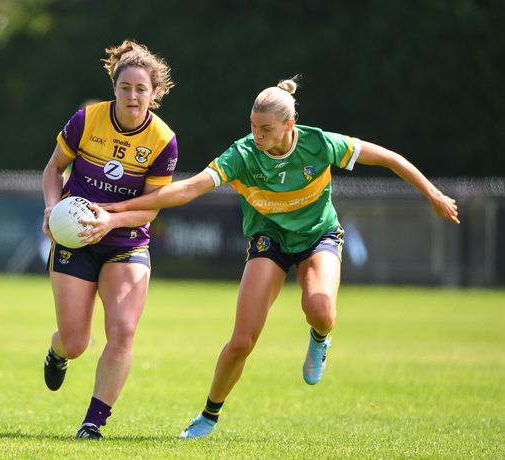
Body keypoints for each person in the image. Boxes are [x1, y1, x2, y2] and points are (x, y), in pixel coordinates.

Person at [100, 76, 460, 439]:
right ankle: (208, 416)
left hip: (318, 236)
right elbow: (189, 188)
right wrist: (120, 208)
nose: (257, 135)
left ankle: (320, 339)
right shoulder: (242, 154)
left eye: (266, 129)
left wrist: (433, 194)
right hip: (268, 240)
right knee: (242, 340)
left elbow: (389, 158)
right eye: (253, 126)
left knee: (321, 311)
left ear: (290, 125)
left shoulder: (320, 144)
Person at [41, 40, 177, 440]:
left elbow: (151, 208)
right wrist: (51, 207)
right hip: (76, 238)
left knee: (123, 330)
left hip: (127, 243)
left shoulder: (163, 139)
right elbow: (53, 169)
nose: (132, 96)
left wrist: (109, 220)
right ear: (114, 87)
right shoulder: (86, 120)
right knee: (76, 341)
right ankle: (58, 351)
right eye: (125, 87)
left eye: (141, 89)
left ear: (155, 93)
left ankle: (93, 423)